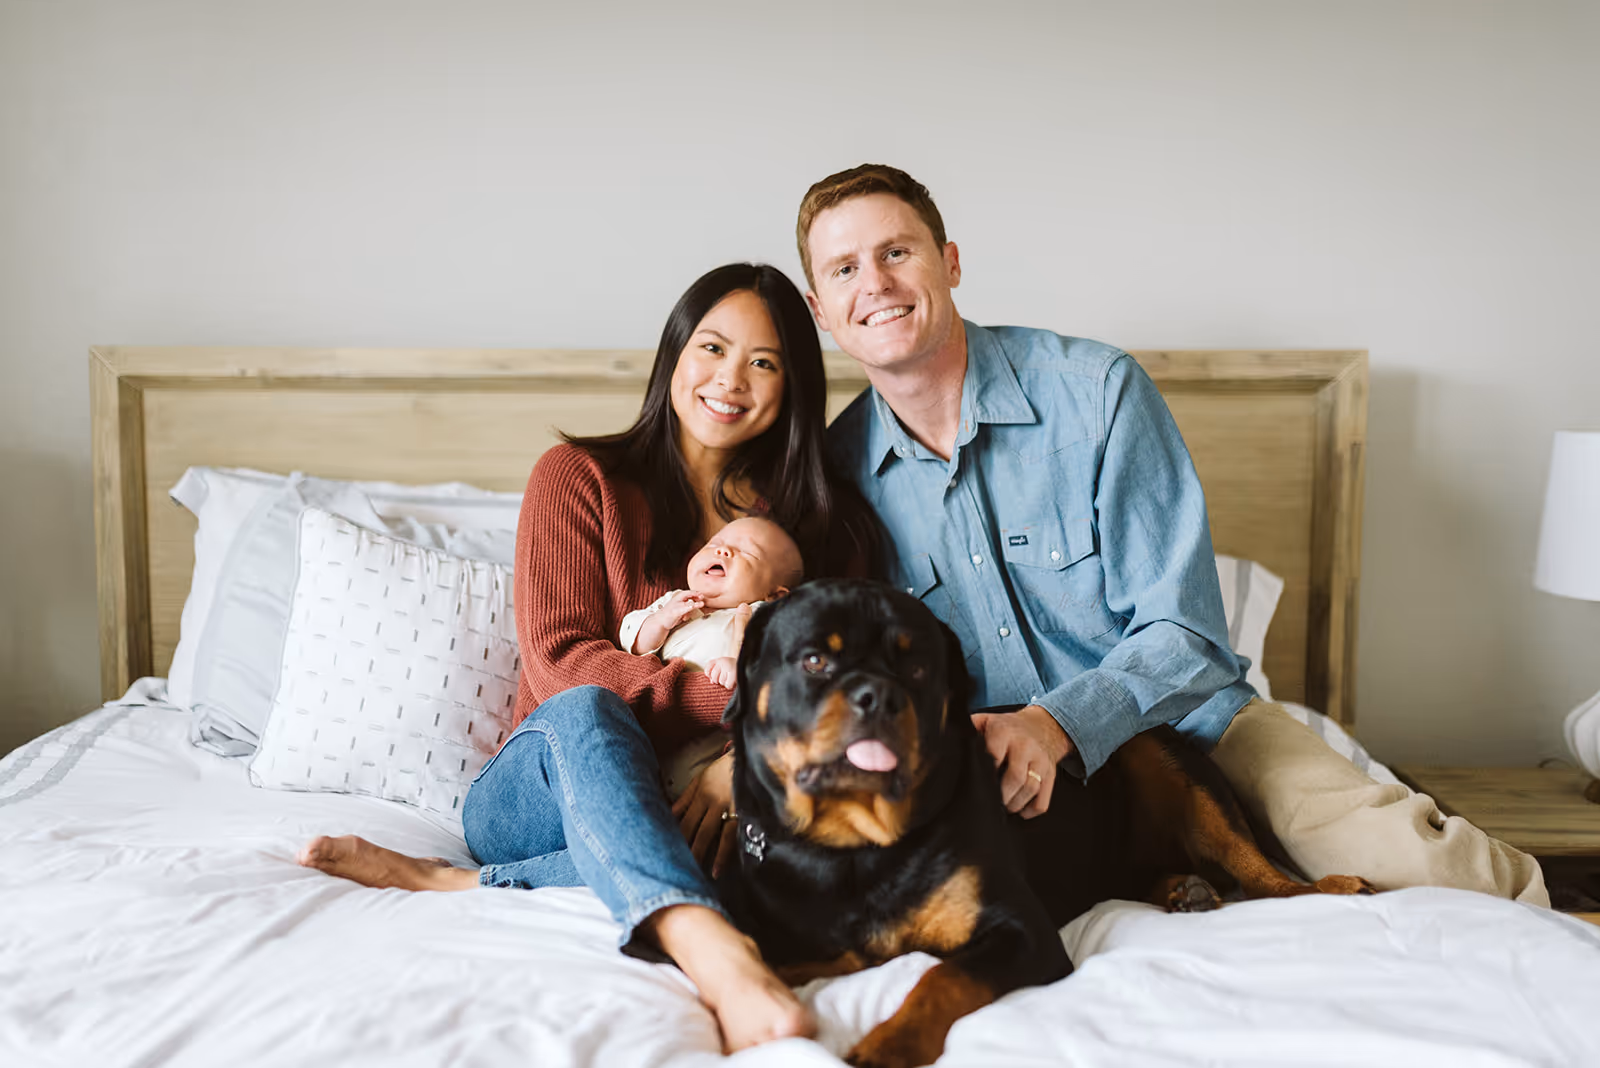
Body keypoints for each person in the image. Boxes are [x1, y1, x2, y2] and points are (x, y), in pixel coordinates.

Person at [800, 163, 1547, 905]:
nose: (877, 283)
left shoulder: (1095, 393)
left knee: (1438, 873)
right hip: (999, 786)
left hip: (1198, 733)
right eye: (845, 269)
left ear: (950, 261)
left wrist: (1055, 722)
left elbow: (1184, 633)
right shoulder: (837, 477)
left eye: (897, 252)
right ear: (821, 310)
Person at [297, 262, 880, 1052]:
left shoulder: (816, 528)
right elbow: (562, 659)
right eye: (711, 347)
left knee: (810, 836)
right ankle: (716, 956)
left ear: (795, 387)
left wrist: (738, 761)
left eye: (764, 362)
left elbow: (847, 686)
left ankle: (455, 884)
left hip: (716, 799)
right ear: (674, 354)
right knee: (588, 707)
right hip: (540, 790)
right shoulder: (580, 480)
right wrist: (734, 710)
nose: (730, 380)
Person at [620, 516, 803, 689]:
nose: (722, 550)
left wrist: (742, 667)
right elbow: (633, 643)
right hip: (651, 704)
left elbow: (783, 669)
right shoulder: (674, 602)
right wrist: (659, 621)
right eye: (714, 543)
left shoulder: (761, 618)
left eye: (747, 552)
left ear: (775, 596)